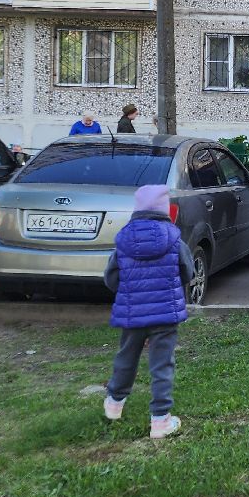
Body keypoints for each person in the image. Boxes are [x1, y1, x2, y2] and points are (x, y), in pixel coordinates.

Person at [101, 183, 192, 440]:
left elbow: (111, 277)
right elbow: (188, 271)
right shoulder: (173, 238)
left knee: (126, 356)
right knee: (162, 364)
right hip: (165, 313)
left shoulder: (124, 238)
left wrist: (129, 291)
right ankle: (161, 420)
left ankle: (115, 403)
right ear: (165, 209)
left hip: (132, 313)